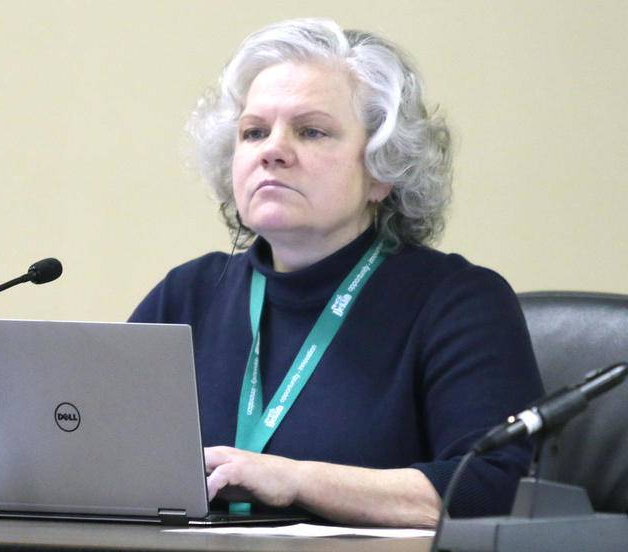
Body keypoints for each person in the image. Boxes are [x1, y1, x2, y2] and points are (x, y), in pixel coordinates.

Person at [129, 18, 543, 528]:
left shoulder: (457, 301)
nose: (272, 150)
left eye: (311, 131)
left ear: (381, 171)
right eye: (253, 132)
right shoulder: (187, 296)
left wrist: (296, 480)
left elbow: (494, 489)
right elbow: (96, 454)